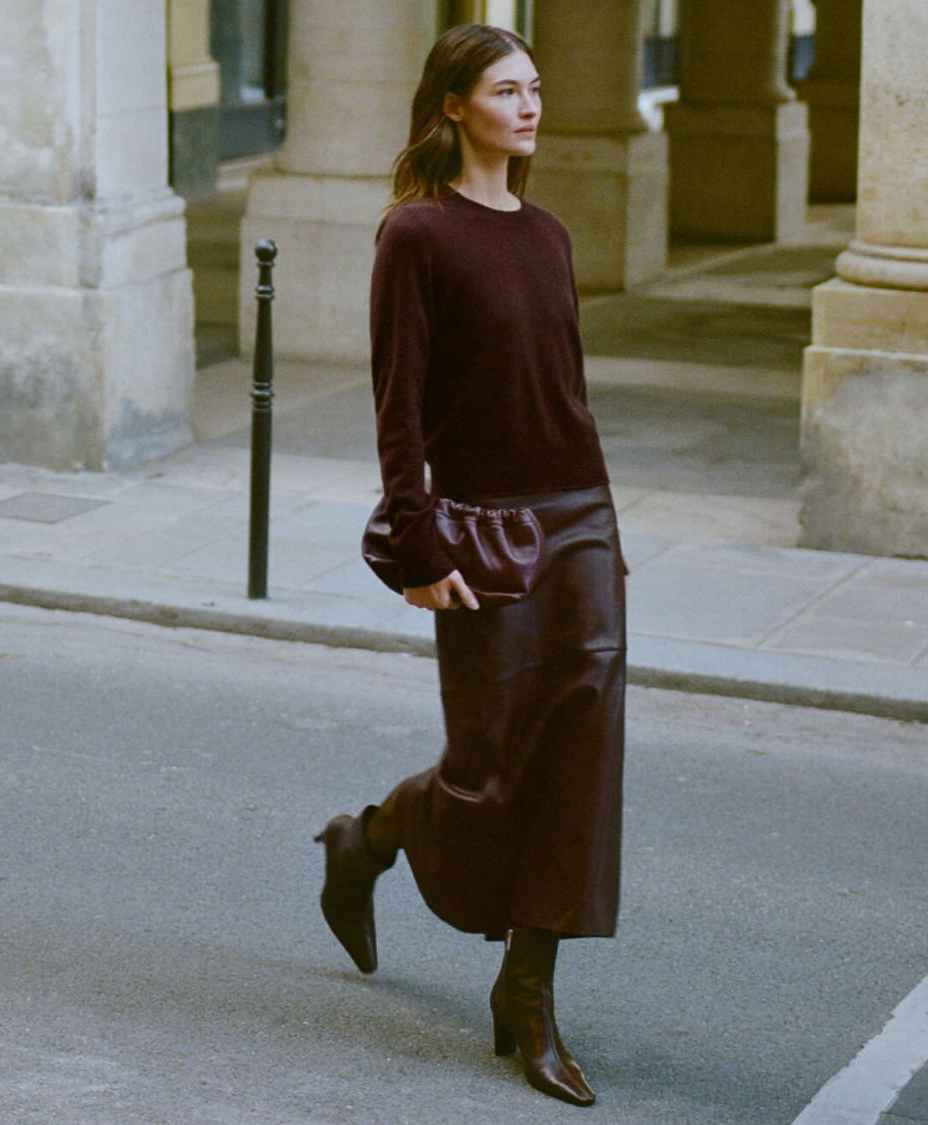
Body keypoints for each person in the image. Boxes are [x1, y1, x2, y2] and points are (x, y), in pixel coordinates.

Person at [313, 22, 626, 1109]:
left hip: (578, 517)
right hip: (484, 526)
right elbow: (396, 409)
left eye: (536, 88)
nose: (530, 106)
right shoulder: (418, 237)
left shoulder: (546, 234)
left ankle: (527, 992)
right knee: (488, 768)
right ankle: (369, 837)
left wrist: (607, 539)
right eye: (506, 89)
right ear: (453, 104)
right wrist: (411, 545)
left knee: (581, 755)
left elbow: (569, 398)